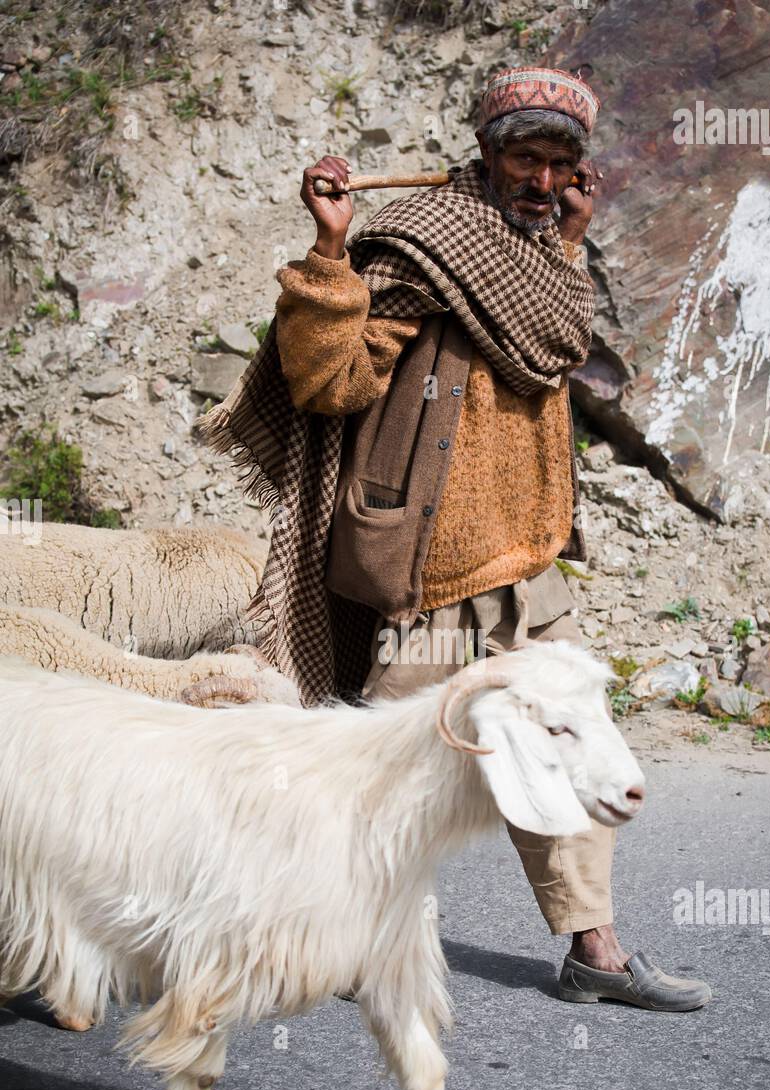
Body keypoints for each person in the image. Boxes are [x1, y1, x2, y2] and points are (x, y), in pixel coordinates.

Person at [203, 66, 711, 1012]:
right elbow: (332, 384)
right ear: (486, 150)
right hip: (429, 560)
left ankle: (592, 952)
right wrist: (328, 254)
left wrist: (569, 240)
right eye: (527, 157)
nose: (544, 180)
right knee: (377, 769)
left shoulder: (546, 260)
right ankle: (317, 934)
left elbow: (557, 344)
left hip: (526, 559)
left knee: (567, 745)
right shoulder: (422, 245)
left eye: (561, 165)